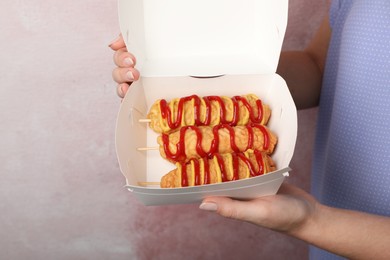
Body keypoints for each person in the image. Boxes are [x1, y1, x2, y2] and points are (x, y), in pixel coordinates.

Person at [109, 0, 390, 259]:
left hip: (335, 231)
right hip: (327, 242)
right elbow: (319, 67)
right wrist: (197, 63)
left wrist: (312, 221)